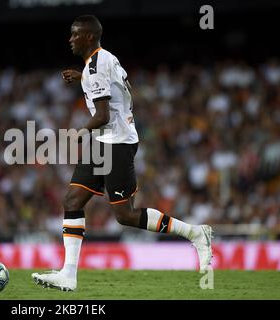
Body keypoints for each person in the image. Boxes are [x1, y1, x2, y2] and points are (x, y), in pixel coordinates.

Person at [32, 15, 213, 291]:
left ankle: (195, 233)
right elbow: (126, 93)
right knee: (72, 199)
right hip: (103, 141)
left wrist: (75, 134)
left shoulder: (96, 65)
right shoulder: (105, 60)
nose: (70, 39)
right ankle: (68, 274)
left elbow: (103, 115)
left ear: (89, 37)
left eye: (75, 34)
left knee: (125, 215)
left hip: (115, 143)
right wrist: (84, 79)